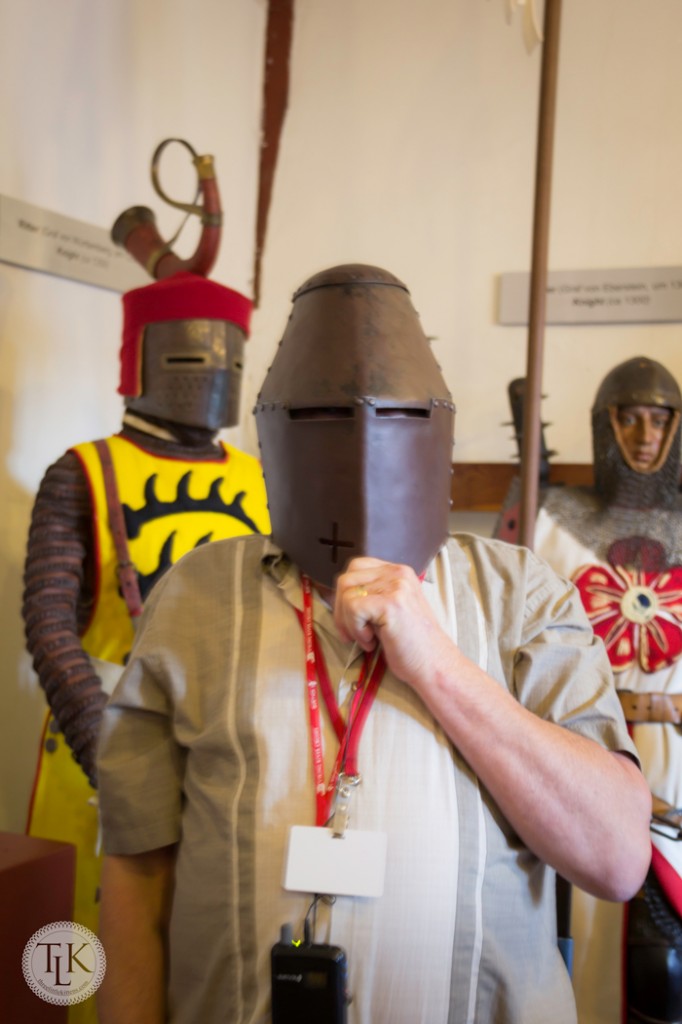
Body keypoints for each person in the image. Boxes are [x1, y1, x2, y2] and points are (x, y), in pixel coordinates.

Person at [96, 265, 651, 1024]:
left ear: (437, 430)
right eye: (322, 415)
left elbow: (617, 857)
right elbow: (137, 865)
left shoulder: (519, 592)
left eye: (395, 416)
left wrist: (439, 666)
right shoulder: (196, 595)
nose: (360, 443)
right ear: (275, 428)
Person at [23, 271, 270, 972]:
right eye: (196, 356)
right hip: (100, 739)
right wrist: (109, 754)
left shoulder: (261, 478)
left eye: (233, 356)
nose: (217, 371)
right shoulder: (84, 472)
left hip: (231, 750)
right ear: (146, 356)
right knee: (81, 963)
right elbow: (49, 625)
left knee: (206, 960)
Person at [498, 355, 682, 1024]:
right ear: (604, 426)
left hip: (679, 764)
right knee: (590, 942)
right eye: (628, 419)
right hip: (587, 750)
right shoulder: (555, 520)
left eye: (659, 420)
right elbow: (506, 627)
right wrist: (527, 483)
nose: (644, 436)